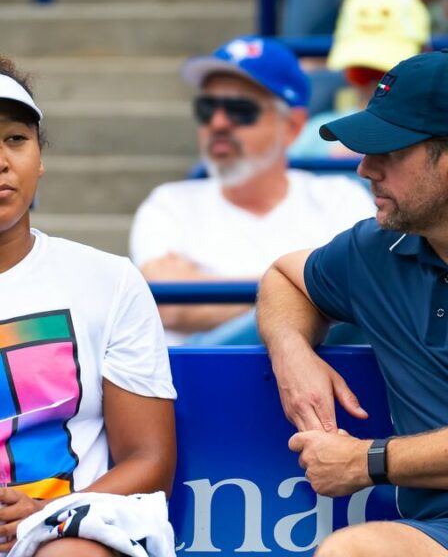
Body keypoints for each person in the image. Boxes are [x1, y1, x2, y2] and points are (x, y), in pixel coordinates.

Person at [256, 50, 448, 555]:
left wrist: (368, 460)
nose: (365, 169)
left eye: (389, 151)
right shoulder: (375, 248)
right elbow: (284, 276)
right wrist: (291, 350)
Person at [0, 56, 177, 556]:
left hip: (63, 534)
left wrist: (45, 514)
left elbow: (150, 460)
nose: (2, 161)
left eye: (16, 139)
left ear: (40, 157)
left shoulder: (108, 280)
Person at [129, 35, 375, 345]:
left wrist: (219, 295)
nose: (218, 123)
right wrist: (311, 294)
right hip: (202, 387)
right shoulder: (169, 203)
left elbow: (365, 294)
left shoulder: (340, 197)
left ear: (293, 127)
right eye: (206, 108)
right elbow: (171, 306)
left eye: (240, 110)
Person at [288, 0, 430, 159]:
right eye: (361, 72)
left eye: (387, 75)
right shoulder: (314, 135)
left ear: (425, 53)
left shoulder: (437, 137)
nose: (374, 87)